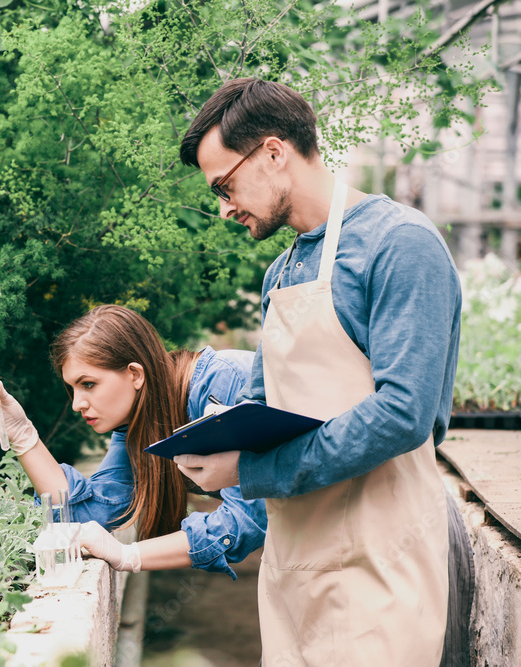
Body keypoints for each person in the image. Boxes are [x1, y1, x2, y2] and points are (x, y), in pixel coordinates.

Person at [177, 78, 472, 666]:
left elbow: (403, 416)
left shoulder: (400, 244)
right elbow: (264, 408)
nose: (224, 207)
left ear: (273, 153)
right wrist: (216, 440)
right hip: (293, 571)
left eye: (225, 185)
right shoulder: (280, 273)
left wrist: (253, 466)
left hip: (381, 567)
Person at [0, 304, 266, 578]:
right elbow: (87, 518)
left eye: (88, 384)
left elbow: (246, 519)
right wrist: (22, 435)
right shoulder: (138, 426)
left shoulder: (226, 385)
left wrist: (129, 556)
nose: (77, 403)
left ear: (135, 374)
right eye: (73, 389)